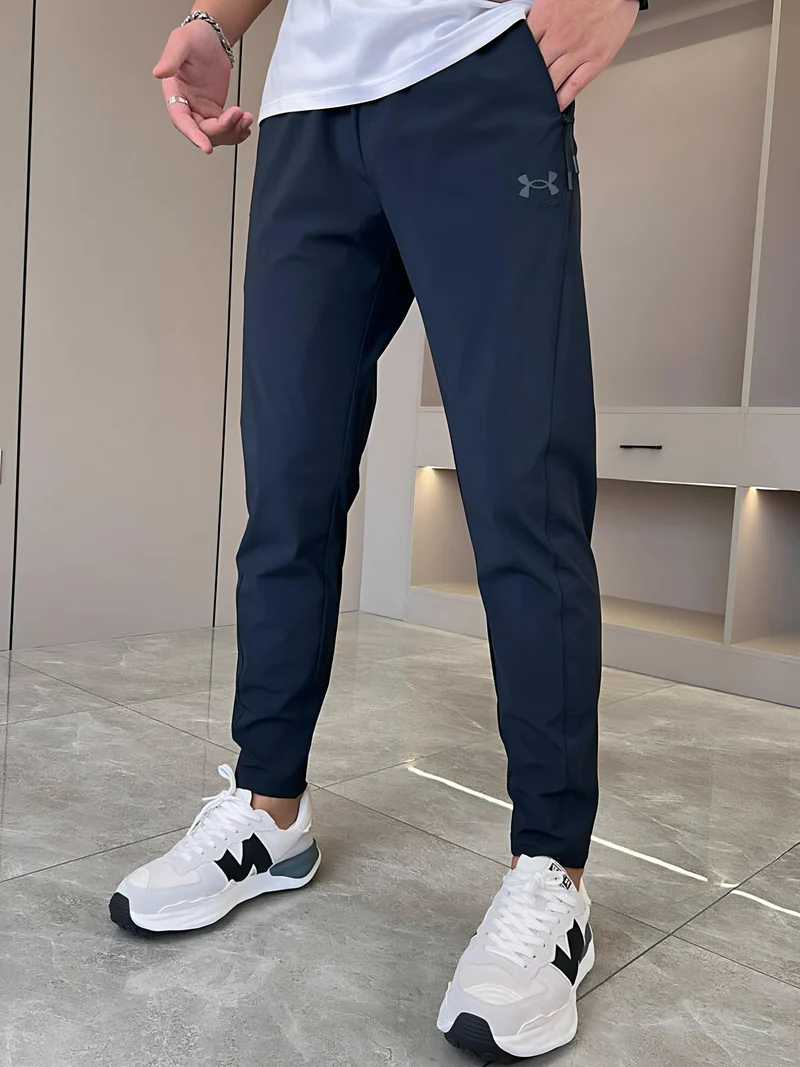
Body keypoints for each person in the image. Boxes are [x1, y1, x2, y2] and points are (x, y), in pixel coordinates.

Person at [110, 0, 643, 1058]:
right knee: (288, 489)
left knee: (521, 491)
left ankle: (552, 870)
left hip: (480, 67)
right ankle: (268, 814)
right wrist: (216, 22)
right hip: (309, 111)